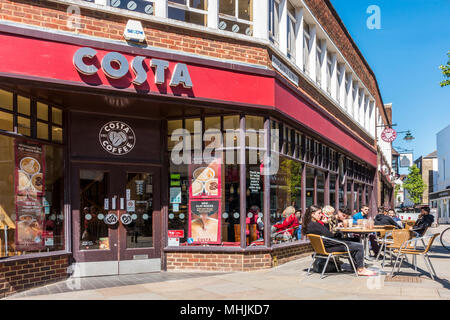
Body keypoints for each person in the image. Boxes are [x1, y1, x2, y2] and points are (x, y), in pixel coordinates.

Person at [302, 205, 376, 276]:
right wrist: (326, 224)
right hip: (330, 247)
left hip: (327, 245)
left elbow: (327, 235)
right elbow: (329, 235)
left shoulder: (311, 224)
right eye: (319, 213)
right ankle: (360, 269)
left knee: (355, 240)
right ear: (312, 214)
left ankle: (356, 267)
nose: (321, 215)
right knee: (359, 246)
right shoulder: (315, 225)